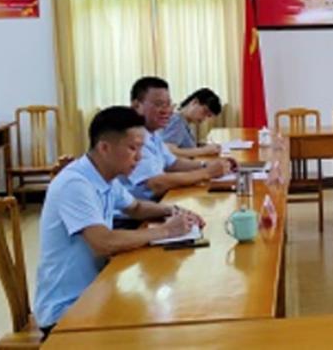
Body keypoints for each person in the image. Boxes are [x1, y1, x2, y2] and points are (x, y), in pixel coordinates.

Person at [34, 106, 205, 338]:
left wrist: (174, 211)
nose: (139, 157)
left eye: (141, 148)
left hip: (99, 291)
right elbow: (103, 242)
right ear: (104, 148)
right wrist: (166, 231)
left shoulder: (105, 176)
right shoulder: (75, 184)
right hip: (68, 309)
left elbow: (135, 208)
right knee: (162, 326)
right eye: (133, 148)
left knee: (171, 308)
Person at [122, 76, 235, 201]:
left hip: (157, 202)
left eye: (168, 104)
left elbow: (173, 163)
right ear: (136, 106)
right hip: (139, 209)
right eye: (159, 104)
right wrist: (207, 172)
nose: (166, 111)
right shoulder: (132, 138)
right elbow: (155, 184)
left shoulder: (153, 134)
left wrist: (206, 165)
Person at [163, 87, 223, 158]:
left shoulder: (185, 121)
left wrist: (202, 146)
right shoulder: (177, 121)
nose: (204, 118)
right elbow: (168, 150)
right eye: (205, 112)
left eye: (208, 116)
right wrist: (204, 150)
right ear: (194, 102)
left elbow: (182, 146)